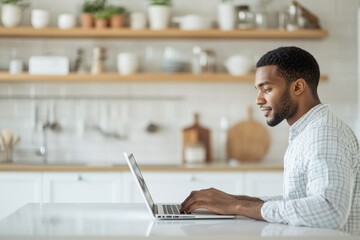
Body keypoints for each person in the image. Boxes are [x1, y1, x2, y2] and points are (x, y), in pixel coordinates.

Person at [180, 46, 360, 235]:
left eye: (267, 89)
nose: (258, 99)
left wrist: (238, 207)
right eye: (258, 90)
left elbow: (329, 210)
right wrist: (236, 200)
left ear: (298, 87)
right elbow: (302, 201)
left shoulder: (324, 133)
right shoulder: (308, 130)